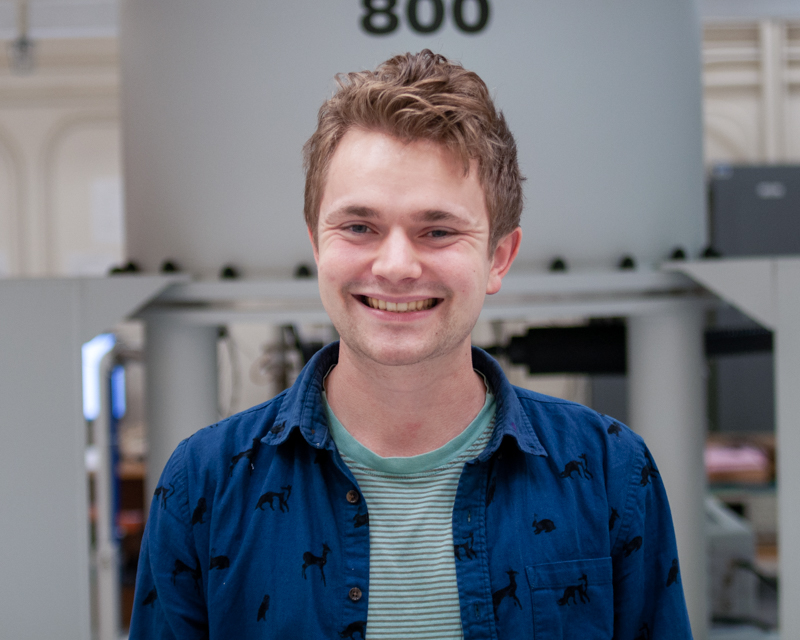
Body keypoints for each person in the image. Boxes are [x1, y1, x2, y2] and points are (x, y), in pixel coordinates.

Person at [130, 50, 692, 639]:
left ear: (498, 257)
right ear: (317, 247)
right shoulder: (206, 484)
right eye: (359, 227)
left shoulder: (608, 473)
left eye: (438, 231)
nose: (396, 265)